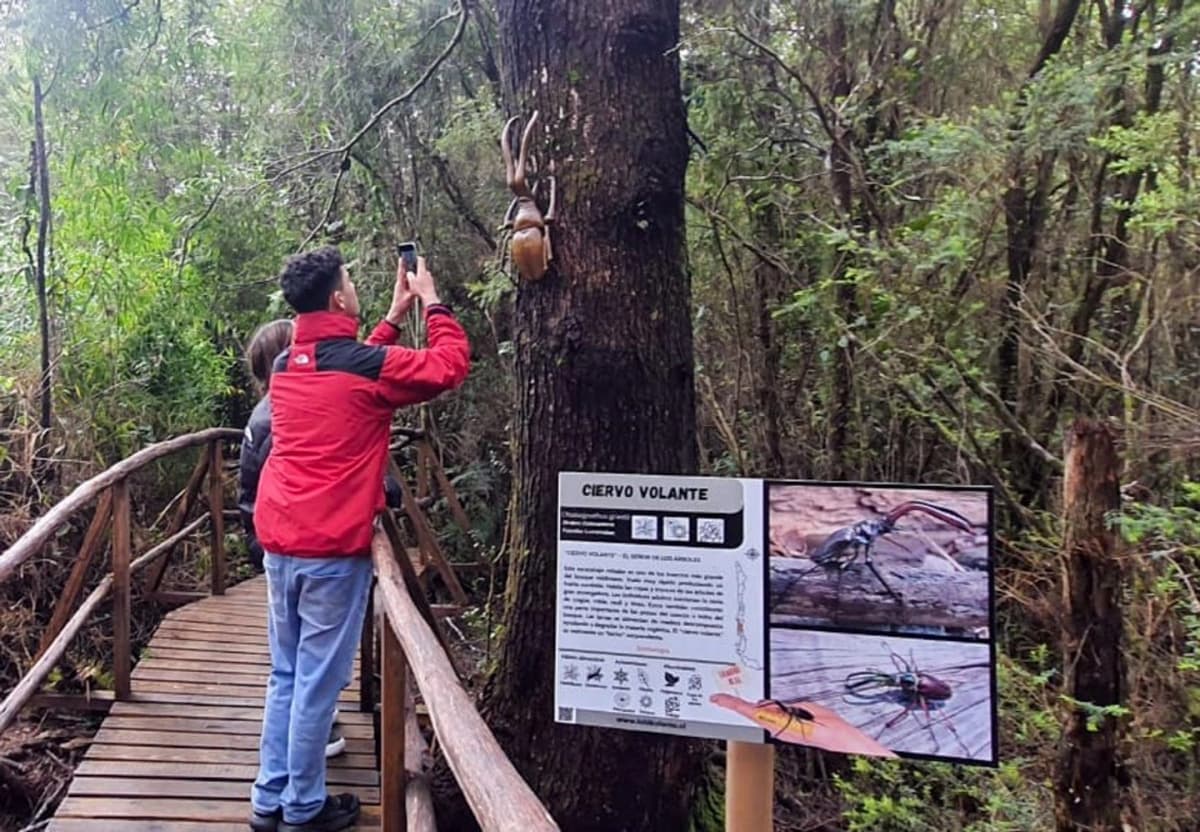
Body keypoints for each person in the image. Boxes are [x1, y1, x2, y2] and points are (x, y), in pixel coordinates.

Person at [249, 247, 469, 832]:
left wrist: (394, 317)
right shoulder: (360, 368)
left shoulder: (287, 365)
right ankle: (302, 808)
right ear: (338, 298)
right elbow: (448, 365)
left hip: (279, 541)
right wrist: (431, 301)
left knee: (287, 674)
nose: (355, 287)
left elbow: (351, 367)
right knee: (317, 681)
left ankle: (268, 799)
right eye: (350, 282)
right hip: (328, 546)